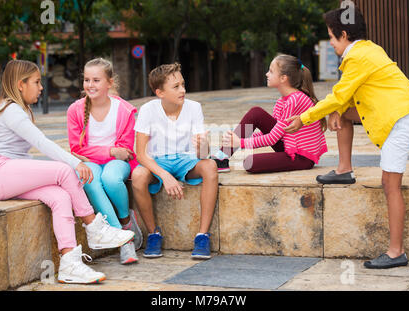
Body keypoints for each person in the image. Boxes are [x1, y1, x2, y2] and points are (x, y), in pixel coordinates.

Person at [285, 7, 409, 269]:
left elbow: (337, 95)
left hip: (400, 118)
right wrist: (337, 110)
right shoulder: (367, 49)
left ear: (344, 35)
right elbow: (345, 94)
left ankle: (396, 252)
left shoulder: (357, 57)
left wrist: (304, 118)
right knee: (342, 112)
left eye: (332, 38)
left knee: (389, 184)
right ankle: (344, 169)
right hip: (398, 111)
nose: (331, 42)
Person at [0, 59, 134, 284]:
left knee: (60, 197)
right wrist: (74, 163)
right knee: (64, 171)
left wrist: (68, 162)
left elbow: (25, 157)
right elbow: (42, 143)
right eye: (37, 82)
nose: (41, 87)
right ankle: (94, 226)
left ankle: (70, 262)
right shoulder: (11, 110)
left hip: (4, 175)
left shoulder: (19, 109)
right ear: (21, 84)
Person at [131, 63, 218, 259]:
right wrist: (165, 176)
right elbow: (141, 154)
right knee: (137, 175)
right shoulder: (147, 110)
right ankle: (154, 234)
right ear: (160, 92)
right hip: (158, 162)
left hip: (186, 160)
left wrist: (202, 145)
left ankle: (202, 236)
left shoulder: (194, 107)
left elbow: (202, 156)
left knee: (210, 166)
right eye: (176, 87)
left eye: (183, 84)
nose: (183, 90)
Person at [67, 58, 142, 265]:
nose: (90, 85)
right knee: (90, 180)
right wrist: (110, 150)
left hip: (117, 164)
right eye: (87, 80)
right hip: (89, 162)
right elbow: (77, 149)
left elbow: (125, 152)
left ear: (109, 83)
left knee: (110, 178)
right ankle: (123, 239)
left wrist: (108, 153)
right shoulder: (75, 110)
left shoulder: (125, 110)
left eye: (96, 80)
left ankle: (127, 220)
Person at [212, 54, 327, 174]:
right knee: (256, 113)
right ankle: (221, 157)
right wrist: (238, 139)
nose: (267, 74)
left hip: (302, 157)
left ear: (283, 78)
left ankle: (222, 156)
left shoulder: (295, 100)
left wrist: (240, 142)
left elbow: (272, 138)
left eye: (271, 71)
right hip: (288, 146)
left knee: (249, 163)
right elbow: (274, 132)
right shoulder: (282, 101)